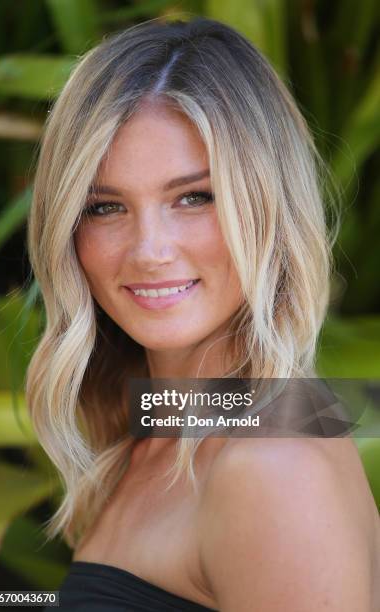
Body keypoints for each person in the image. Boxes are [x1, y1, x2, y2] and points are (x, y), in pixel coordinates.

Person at [26, 16, 380, 611]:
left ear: (268, 205)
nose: (150, 251)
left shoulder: (273, 466)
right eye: (106, 206)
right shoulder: (161, 426)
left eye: (194, 197)